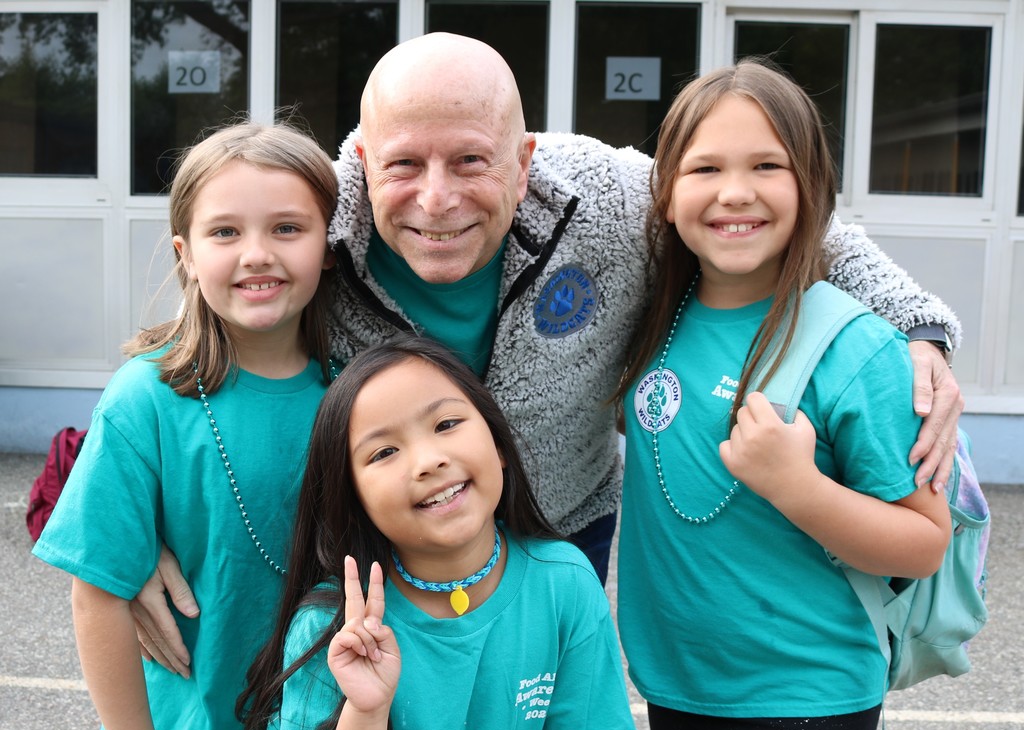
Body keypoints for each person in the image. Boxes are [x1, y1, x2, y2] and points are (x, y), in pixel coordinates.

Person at [138, 32, 965, 664]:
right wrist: (119, 527)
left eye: (470, 160)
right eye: (403, 165)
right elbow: (198, 338)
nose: (436, 198)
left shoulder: (608, 192)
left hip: (560, 535)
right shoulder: (313, 215)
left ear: (525, 159)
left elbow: (801, 227)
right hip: (387, 544)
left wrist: (920, 332)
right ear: (359, 157)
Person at [614, 60, 953, 730]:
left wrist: (797, 486)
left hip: (804, 693)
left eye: (768, 165)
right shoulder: (657, 322)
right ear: (666, 194)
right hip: (678, 684)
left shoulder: (858, 349)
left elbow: (923, 542)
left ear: (813, 190)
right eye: (706, 168)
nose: (736, 192)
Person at [31, 121, 339, 730]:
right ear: (186, 255)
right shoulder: (146, 398)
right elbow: (97, 596)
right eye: (225, 232)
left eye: (288, 228)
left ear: (328, 246)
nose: (256, 254)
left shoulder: (363, 391)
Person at [200, 334, 639, 730]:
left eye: (447, 424)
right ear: (355, 498)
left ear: (497, 446)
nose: (428, 460)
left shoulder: (566, 586)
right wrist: (366, 712)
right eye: (384, 451)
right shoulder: (336, 625)